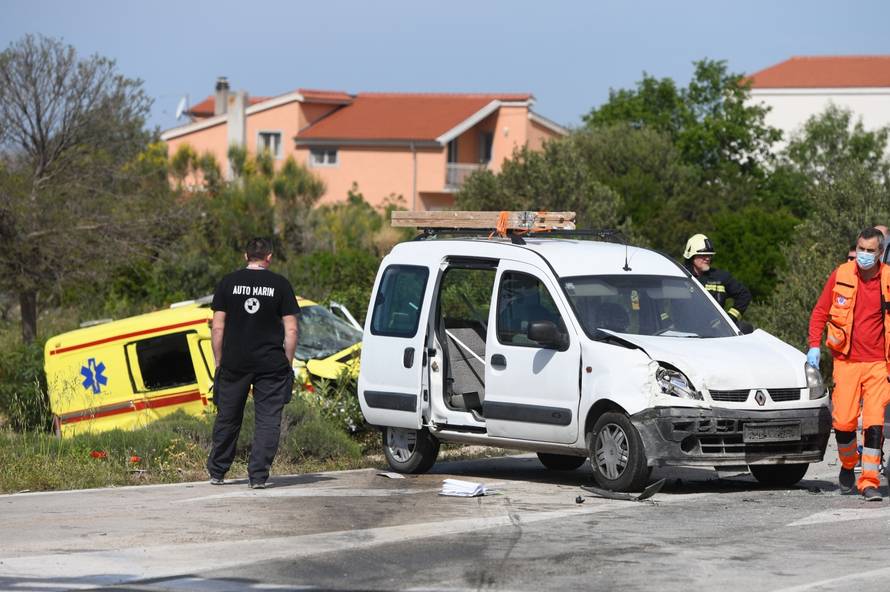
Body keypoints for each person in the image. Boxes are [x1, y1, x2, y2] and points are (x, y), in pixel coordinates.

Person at [206, 237, 300, 489]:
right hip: (271, 363)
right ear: (269, 256)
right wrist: (287, 363)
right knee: (268, 420)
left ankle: (217, 472)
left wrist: (219, 362)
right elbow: (291, 330)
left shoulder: (228, 282)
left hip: (234, 361)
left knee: (227, 416)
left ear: (245, 256)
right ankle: (258, 476)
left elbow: (217, 327)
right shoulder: (280, 285)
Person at [808, 227, 890, 501]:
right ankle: (847, 464)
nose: (864, 255)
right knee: (843, 423)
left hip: (879, 364)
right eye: (861, 249)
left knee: (874, 423)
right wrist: (813, 346)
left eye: (870, 251)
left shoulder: (888, 278)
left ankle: (869, 481)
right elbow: (820, 311)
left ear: (880, 252)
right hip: (846, 361)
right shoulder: (841, 274)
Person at [682, 234, 752, 324]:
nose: (707, 258)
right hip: (683, 331)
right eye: (703, 255)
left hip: (715, 333)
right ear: (691, 256)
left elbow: (744, 295)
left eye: (710, 255)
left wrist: (731, 318)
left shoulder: (721, 277)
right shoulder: (680, 276)